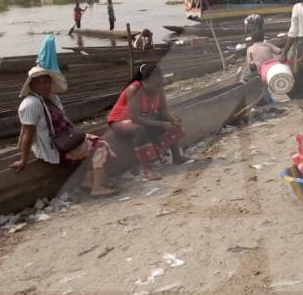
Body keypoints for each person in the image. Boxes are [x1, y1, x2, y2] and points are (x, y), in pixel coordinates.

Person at [11, 64, 117, 197]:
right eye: (39, 83)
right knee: (101, 147)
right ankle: (97, 187)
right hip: (55, 147)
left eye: (46, 82)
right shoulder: (30, 104)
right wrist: (23, 159)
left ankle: (89, 180)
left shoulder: (52, 98)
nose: (43, 85)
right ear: (32, 86)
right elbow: (27, 131)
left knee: (99, 142)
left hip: (65, 137)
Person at [107, 64, 188, 180]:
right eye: (156, 83)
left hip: (141, 118)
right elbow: (135, 118)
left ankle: (177, 157)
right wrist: (162, 124)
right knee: (139, 129)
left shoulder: (158, 88)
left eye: (161, 82)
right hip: (119, 121)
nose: (159, 86)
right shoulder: (133, 90)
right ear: (145, 81)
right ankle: (147, 169)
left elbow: (163, 110)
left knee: (171, 123)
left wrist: (172, 120)